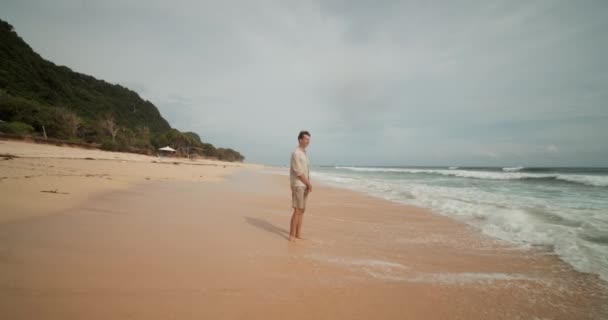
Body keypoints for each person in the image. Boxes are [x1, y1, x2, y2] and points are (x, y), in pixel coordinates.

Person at [289, 130, 311, 242]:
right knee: (297, 210)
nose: (308, 141)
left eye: (309, 139)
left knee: (302, 210)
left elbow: (306, 170)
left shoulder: (304, 153)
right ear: (300, 140)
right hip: (298, 184)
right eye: (306, 139)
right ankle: (292, 236)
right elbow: (298, 171)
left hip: (304, 185)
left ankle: (298, 234)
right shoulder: (296, 153)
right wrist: (308, 183)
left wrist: (308, 184)